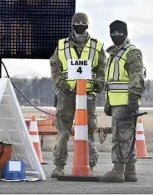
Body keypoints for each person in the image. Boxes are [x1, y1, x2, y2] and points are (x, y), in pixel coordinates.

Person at [49, 12, 106, 177]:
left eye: (83, 23)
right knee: (63, 132)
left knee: (88, 132)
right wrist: (61, 84)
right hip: (66, 95)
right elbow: (55, 67)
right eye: (77, 23)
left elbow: (102, 69)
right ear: (72, 25)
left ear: (87, 25)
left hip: (87, 95)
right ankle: (59, 166)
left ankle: (89, 165)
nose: (80, 26)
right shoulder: (62, 46)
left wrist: (98, 84)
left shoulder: (97, 47)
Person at [99, 20, 146, 182]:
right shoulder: (114, 54)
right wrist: (108, 103)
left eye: (119, 33)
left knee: (120, 137)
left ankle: (118, 171)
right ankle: (130, 171)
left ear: (125, 34)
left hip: (126, 102)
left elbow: (137, 77)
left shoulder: (131, 52)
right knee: (127, 136)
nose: (115, 36)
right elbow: (111, 82)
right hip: (116, 102)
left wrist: (133, 98)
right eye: (113, 33)